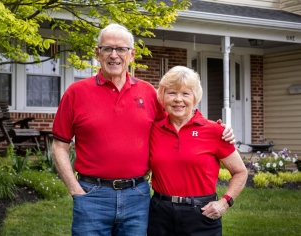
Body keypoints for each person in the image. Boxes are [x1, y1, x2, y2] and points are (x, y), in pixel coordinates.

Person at [52, 24, 234, 236]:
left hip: (137, 196)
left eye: (121, 49)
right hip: (92, 196)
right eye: (107, 48)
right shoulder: (76, 93)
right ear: (97, 53)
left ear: (132, 54)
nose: (114, 55)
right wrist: (75, 190)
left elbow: (178, 119)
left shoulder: (147, 93)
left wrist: (216, 128)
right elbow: (59, 146)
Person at [147, 66, 248, 236]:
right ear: (163, 96)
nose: (178, 99)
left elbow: (240, 172)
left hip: (201, 214)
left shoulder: (215, 131)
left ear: (195, 97)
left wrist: (224, 203)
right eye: (172, 93)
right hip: (159, 214)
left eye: (185, 93)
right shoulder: (153, 129)